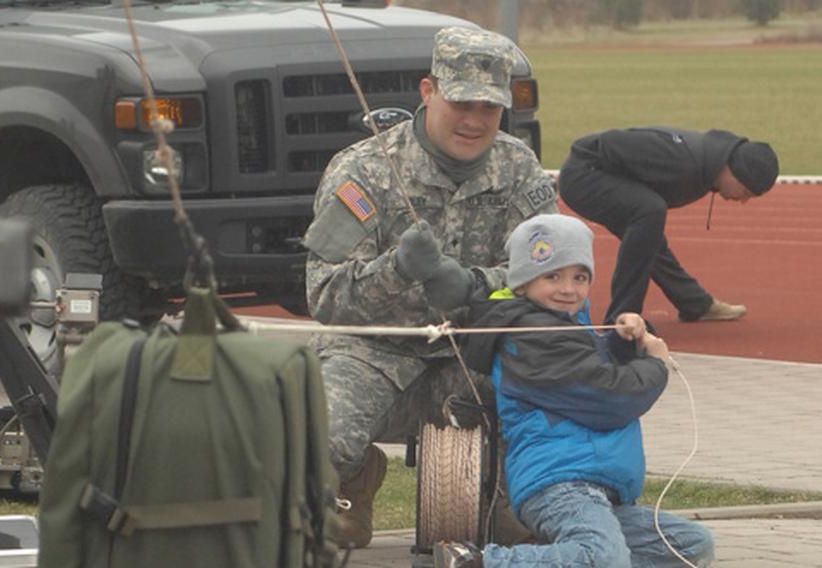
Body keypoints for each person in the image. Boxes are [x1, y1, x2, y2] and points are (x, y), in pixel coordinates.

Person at [301, 26, 559, 548]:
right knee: (319, 436)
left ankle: (504, 496)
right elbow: (325, 295)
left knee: (550, 392)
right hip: (372, 353)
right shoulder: (364, 170)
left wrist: (475, 286)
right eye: (461, 101)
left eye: (489, 107)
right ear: (428, 91)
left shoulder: (519, 169)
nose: (474, 120)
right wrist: (398, 269)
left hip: (472, 353)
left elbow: (549, 281)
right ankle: (352, 480)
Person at [434, 213, 715, 568]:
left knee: (690, 546)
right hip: (560, 484)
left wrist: (624, 342)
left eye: (579, 277)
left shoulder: (568, 328)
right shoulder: (530, 339)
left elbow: (594, 365)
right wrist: (655, 365)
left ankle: (558, 557)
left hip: (600, 490)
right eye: (553, 276)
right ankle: (477, 562)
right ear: (522, 283)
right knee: (602, 558)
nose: (568, 289)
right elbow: (609, 397)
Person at [558, 126, 779, 325]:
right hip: (583, 175)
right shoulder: (681, 160)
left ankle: (695, 304)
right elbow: (609, 142)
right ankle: (623, 318)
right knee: (649, 211)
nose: (743, 200)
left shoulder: (707, 167)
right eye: (746, 192)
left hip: (601, 174)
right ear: (734, 171)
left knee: (648, 229)